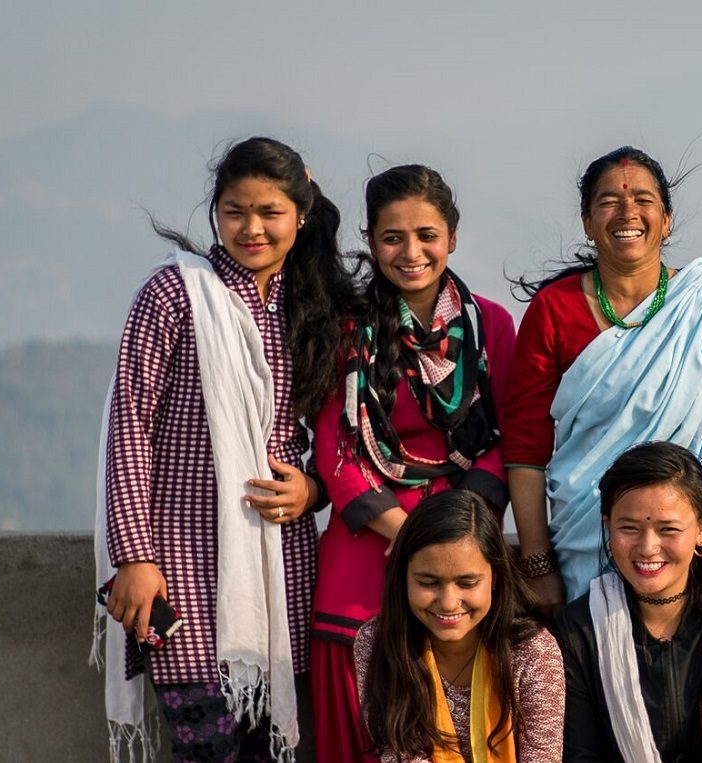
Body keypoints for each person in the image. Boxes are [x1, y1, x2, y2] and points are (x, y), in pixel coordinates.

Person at [96, 136, 354, 762]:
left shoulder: (312, 306)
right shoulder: (175, 294)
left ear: (301, 214)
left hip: (281, 571)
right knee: (207, 749)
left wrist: (314, 488)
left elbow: (336, 432)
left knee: (273, 751)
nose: (252, 228)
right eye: (235, 211)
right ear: (215, 212)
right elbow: (129, 426)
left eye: (270, 212)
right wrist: (133, 557)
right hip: (177, 569)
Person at [504, 146, 702, 611]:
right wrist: (537, 562)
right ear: (588, 222)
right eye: (608, 201)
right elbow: (525, 449)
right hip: (587, 533)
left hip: (686, 537)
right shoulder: (554, 309)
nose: (627, 211)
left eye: (644, 200)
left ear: (667, 220)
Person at [309, 164, 516, 761]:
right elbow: (336, 450)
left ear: (452, 236)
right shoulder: (346, 327)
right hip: (367, 548)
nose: (411, 251)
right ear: (371, 242)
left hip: (460, 550)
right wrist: (410, 536)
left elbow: (510, 436)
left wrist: (455, 533)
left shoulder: (492, 327)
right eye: (392, 237)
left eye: (426, 234)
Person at [557, 441, 702, 762]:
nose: (648, 547)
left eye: (668, 529)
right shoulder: (580, 630)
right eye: (629, 528)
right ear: (607, 526)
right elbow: (581, 754)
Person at [355, 490, 565, 762]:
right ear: (402, 576)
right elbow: (400, 754)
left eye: (467, 583)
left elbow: (542, 756)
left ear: (495, 578)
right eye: (428, 582)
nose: (448, 603)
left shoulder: (533, 652)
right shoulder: (375, 642)